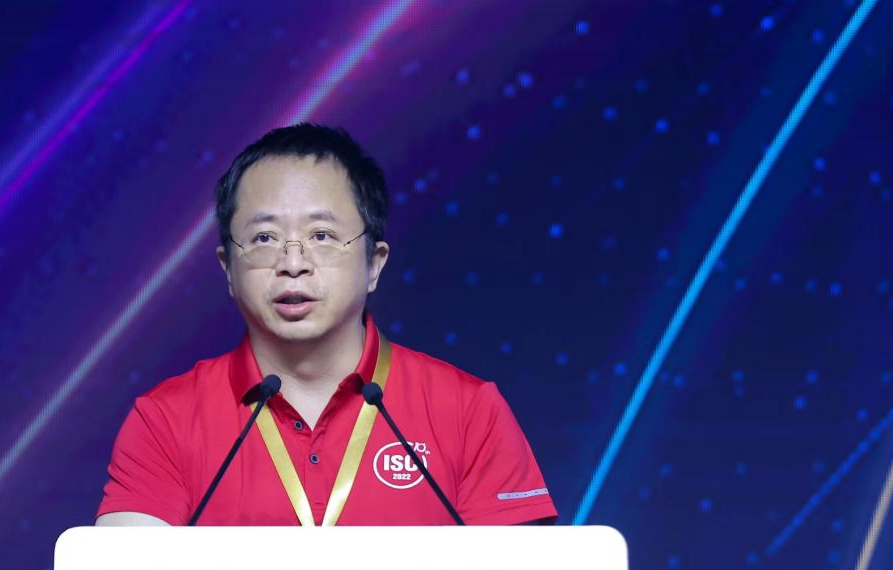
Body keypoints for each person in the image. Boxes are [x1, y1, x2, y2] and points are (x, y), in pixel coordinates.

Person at [96, 123, 556, 526]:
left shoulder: (469, 412)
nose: (293, 263)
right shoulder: (165, 421)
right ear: (227, 269)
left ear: (374, 263)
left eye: (322, 235)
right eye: (264, 238)